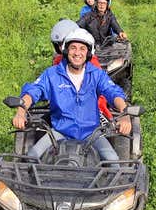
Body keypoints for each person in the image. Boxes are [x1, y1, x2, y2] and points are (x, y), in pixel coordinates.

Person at [12, 28, 131, 161]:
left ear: (88, 53)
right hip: (60, 131)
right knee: (31, 157)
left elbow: (113, 92)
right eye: (73, 48)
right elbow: (33, 91)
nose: (77, 53)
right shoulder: (52, 74)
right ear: (66, 50)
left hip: (91, 133)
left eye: (82, 49)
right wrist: (21, 112)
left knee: (113, 161)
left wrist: (125, 115)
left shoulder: (97, 74)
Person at [50, 19, 112, 120]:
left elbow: (102, 90)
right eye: (59, 45)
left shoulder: (91, 62)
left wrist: (96, 107)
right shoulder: (58, 61)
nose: (62, 48)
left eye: (65, 44)